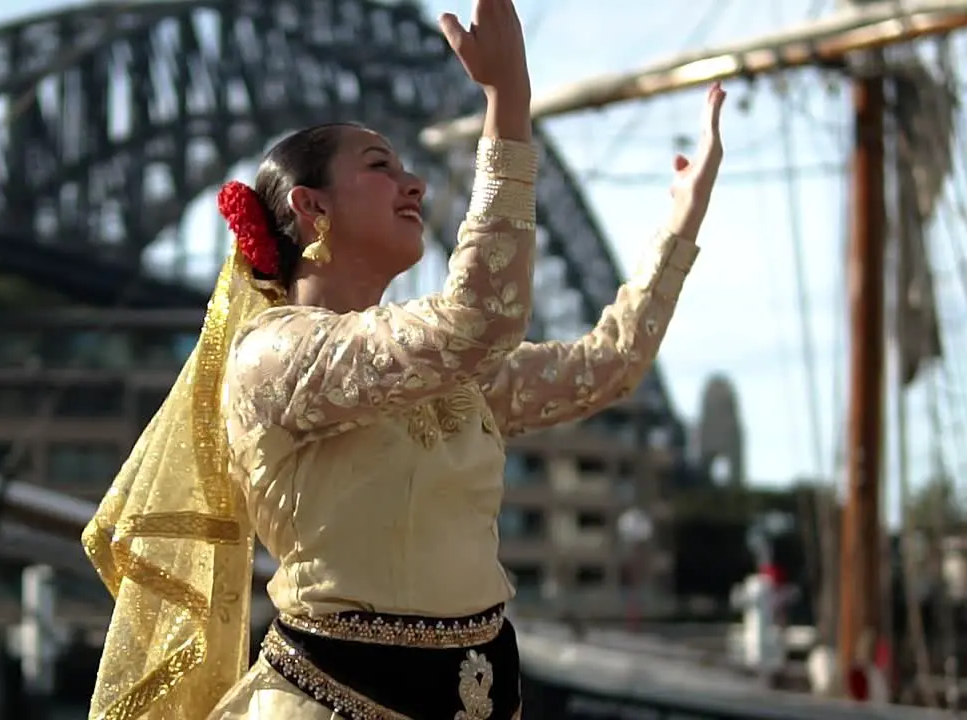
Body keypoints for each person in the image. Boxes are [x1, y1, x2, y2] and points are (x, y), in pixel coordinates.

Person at [81, 0, 727, 718]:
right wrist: (507, 104)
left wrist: (681, 225)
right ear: (312, 209)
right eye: (380, 166)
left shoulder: (449, 377)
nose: (415, 184)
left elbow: (610, 367)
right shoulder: (275, 358)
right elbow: (479, 320)